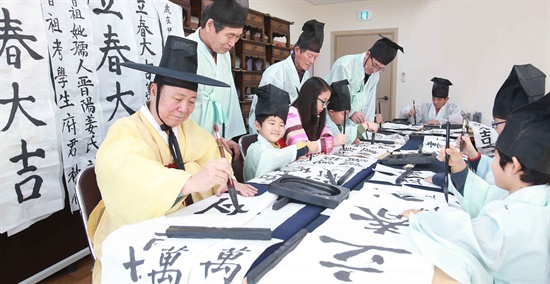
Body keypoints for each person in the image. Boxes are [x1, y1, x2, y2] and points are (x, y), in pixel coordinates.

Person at [88, 36, 258, 282]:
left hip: (183, 225)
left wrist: (227, 179)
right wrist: (190, 181)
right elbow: (127, 175)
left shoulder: (188, 129)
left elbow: (211, 155)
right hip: (135, 235)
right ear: (154, 90)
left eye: (191, 101)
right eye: (177, 99)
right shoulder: (126, 130)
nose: (184, 109)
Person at [403, 93, 550, 283]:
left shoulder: (507, 225)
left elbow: (465, 236)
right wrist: (461, 170)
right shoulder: (539, 197)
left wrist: (421, 217)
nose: (492, 164)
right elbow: (491, 198)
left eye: (495, 158)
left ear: (514, 166)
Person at [427, 64, 546, 188]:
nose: (494, 129)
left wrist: (456, 172)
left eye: (496, 123)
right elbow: (492, 174)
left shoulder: (524, 160)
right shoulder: (527, 149)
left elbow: (489, 195)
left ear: (512, 124)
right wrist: (474, 156)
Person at [187, 0, 248, 158]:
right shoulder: (186, 50)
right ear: (209, 25)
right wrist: (208, 140)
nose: (232, 43)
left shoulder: (225, 55)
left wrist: (228, 136)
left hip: (218, 140)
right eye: (229, 36)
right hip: (191, 143)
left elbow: (228, 97)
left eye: (237, 37)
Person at [248, 19, 325, 133]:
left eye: (315, 57)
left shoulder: (306, 76)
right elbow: (267, 112)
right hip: (269, 131)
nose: (312, 61)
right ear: (297, 50)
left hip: (292, 129)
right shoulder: (275, 73)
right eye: (309, 56)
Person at [325, 35, 403, 128]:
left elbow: (370, 102)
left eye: (380, 68)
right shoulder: (345, 65)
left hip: (355, 125)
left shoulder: (375, 75)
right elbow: (336, 95)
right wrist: (352, 112)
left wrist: (369, 126)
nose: (375, 70)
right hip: (335, 122)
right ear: (367, 54)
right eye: (375, 65)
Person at [243, 84, 317, 181]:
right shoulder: (255, 148)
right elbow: (274, 157)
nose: (277, 129)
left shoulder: (276, 145)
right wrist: (303, 148)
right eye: (272, 123)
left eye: (281, 125)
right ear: (257, 125)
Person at [284, 77, 346, 153]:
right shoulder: (292, 113)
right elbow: (302, 148)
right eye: (323, 101)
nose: (324, 106)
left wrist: (327, 142)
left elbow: (327, 135)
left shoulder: (315, 114)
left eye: (326, 103)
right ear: (310, 97)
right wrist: (331, 142)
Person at [326, 79, 379, 145]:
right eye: (343, 114)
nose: (346, 117)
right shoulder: (326, 124)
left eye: (348, 114)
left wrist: (353, 138)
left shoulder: (338, 122)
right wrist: (366, 125)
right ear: (331, 112)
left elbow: (349, 135)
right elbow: (342, 137)